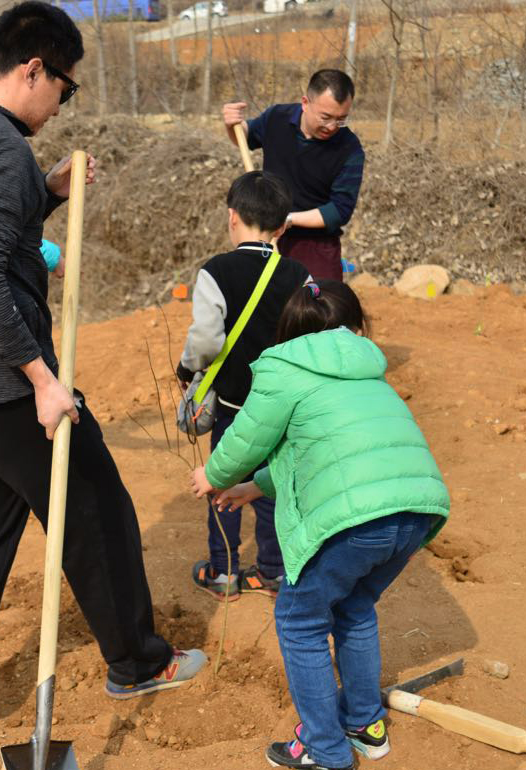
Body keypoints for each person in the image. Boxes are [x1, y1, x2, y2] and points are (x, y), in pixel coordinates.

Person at [0, 3, 205, 762]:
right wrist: (40, 377)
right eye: (65, 90)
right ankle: (138, 662)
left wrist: (52, 191)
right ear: (34, 68)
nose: (63, 103)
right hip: (5, 389)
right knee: (96, 515)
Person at [191, 281, 450, 770]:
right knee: (354, 606)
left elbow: (245, 440)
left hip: (354, 520)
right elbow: (326, 452)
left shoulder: (283, 367)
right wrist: (256, 487)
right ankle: (365, 725)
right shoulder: (368, 370)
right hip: (415, 508)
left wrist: (214, 475)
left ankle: (326, 750)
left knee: (299, 621)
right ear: (355, 328)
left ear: (288, 331)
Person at [176, 170, 309, 601]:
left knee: (222, 482)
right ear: (283, 226)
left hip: (234, 405)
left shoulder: (217, 271)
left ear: (232, 217)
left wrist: (187, 368)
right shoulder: (299, 275)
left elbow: (207, 339)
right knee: (271, 485)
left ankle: (224, 571)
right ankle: (271, 571)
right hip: (281, 407)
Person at [221, 70, 366, 282]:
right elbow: (245, 136)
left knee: (318, 308)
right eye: (325, 117)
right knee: (263, 306)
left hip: (316, 248)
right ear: (305, 103)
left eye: (341, 119)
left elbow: (339, 210)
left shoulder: (349, 149)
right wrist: (231, 123)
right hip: (266, 238)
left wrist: (286, 219)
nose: (332, 127)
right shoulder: (277, 118)